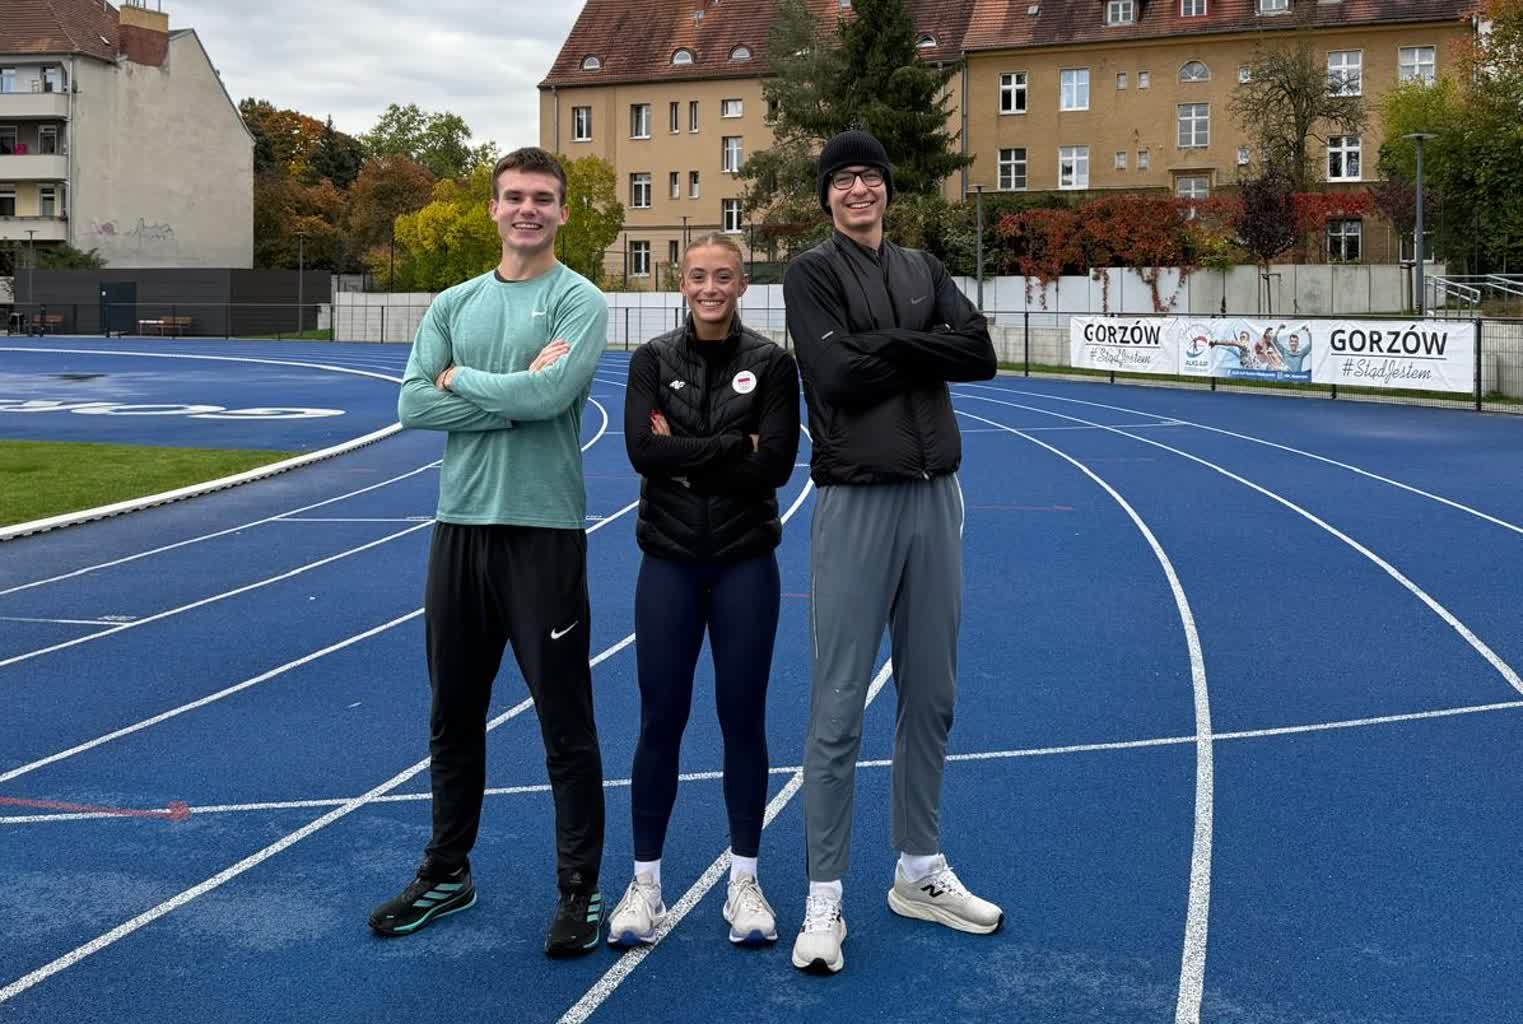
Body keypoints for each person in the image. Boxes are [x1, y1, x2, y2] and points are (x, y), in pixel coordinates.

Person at [369, 147, 610, 958]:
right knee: (452, 715)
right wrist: (503, 404)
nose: (527, 210)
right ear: (493, 209)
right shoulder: (454, 302)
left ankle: (579, 891)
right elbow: (409, 406)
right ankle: (447, 872)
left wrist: (457, 384)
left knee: (565, 725)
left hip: (542, 534)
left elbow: (551, 395)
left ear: (563, 212)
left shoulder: (579, 300)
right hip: (460, 528)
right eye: (513, 197)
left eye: (542, 198)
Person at [783, 130, 1003, 975]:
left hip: (933, 494)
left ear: (888, 189)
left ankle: (918, 869)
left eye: (870, 176)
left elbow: (978, 354)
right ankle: (824, 895)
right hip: (855, 499)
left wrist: (889, 345)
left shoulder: (920, 267)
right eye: (842, 180)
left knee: (933, 695)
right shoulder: (810, 274)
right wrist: (922, 346)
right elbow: (832, 379)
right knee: (839, 705)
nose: (858, 190)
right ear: (827, 197)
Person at [606, 233, 801, 949]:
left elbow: (776, 465)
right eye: (697, 276)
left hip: (747, 560)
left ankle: (743, 883)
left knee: (742, 719)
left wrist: (685, 459)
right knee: (661, 718)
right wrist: (731, 449)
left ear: (743, 285)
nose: (710, 288)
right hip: (669, 561)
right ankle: (644, 887)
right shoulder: (651, 361)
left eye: (723, 276)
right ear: (679, 282)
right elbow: (640, 451)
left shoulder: (773, 364)